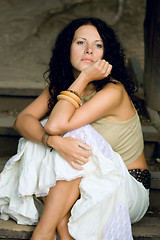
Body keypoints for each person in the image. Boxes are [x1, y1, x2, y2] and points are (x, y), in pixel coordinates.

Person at [0, 17, 150, 240]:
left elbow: (56, 125)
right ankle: (60, 230)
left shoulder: (113, 91)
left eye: (98, 45)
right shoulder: (61, 87)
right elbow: (22, 120)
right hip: (81, 181)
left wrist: (86, 76)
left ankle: (43, 233)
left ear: (105, 54)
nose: (89, 50)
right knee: (45, 138)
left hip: (126, 188)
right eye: (81, 42)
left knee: (72, 134)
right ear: (67, 48)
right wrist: (52, 141)